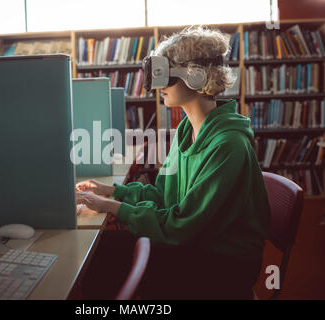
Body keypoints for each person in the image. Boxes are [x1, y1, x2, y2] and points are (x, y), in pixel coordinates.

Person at [76, 25, 271, 299]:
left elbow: (181, 224)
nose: (158, 86)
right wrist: (112, 191)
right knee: (104, 249)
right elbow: (165, 196)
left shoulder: (228, 145)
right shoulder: (186, 132)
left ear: (195, 76)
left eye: (165, 75)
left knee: (107, 257)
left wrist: (113, 207)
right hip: (194, 242)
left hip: (223, 263)